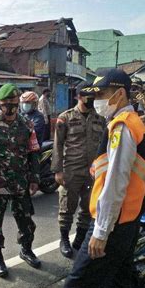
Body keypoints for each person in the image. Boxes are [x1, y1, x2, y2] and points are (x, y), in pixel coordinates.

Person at [61, 69, 145, 288]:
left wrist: (100, 232)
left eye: (102, 94)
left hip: (113, 223)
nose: (97, 100)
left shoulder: (122, 127)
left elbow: (115, 182)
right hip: (127, 220)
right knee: (119, 284)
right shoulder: (132, 123)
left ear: (120, 94)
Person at [0, 83, 41, 278]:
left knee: (25, 220)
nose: (10, 107)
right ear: (0, 103)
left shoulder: (27, 125)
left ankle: (26, 249)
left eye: (14, 102)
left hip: (20, 183)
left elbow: (33, 152)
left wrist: (34, 178)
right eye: (6, 103)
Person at [51, 81, 105, 258]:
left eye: (93, 95)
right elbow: (58, 145)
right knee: (67, 206)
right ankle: (64, 239)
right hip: (71, 169)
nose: (91, 99)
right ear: (78, 96)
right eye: (87, 95)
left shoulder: (100, 118)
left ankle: (80, 238)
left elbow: (104, 147)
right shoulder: (65, 118)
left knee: (89, 207)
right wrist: (58, 170)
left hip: (93, 171)